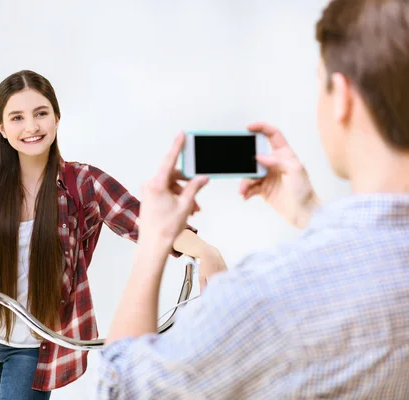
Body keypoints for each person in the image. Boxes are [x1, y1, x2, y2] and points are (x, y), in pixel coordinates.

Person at [95, 0, 409, 398]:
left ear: (342, 96)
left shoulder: (269, 294)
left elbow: (122, 388)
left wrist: (154, 243)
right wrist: (310, 214)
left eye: (320, 82)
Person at [0, 70, 221, 400]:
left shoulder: (82, 182)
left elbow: (145, 220)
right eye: (17, 118)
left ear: (57, 118)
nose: (31, 127)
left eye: (41, 114)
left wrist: (206, 251)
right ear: (2, 129)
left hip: (33, 347)